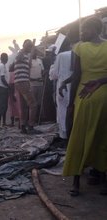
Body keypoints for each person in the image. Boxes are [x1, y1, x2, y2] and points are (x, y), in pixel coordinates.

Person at [60, 17, 107, 196]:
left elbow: (77, 74)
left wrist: (72, 103)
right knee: (102, 137)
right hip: (104, 95)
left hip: (84, 95)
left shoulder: (79, 47)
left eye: (84, 30)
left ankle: (76, 183)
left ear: (94, 29)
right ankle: (102, 181)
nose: (81, 34)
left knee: (78, 138)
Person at [14, 39, 41, 134]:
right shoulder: (20, 54)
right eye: (28, 45)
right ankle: (31, 126)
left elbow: (29, 64)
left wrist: (32, 50)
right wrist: (28, 46)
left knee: (24, 106)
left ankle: (23, 127)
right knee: (33, 104)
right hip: (22, 82)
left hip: (20, 82)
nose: (29, 47)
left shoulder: (25, 56)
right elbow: (19, 55)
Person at [49, 37, 73, 142]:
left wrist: (51, 68)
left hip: (63, 86)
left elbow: (54, 75)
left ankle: (64, 135)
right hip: (75, 84)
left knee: (62, 110)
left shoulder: (61, 56)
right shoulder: (76, 54)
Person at [29, 49, 44, 123]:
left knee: (39, 103)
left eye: (35, 51)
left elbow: (42, 71)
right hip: (32, 85)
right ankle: (32, 120)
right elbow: (27, 75)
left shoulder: (39, 61)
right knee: (32, 103)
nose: (35, 53)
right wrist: (35, 80)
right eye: (33, 51)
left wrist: (43, 76)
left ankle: (38, 119)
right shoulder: (29, 61)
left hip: (40, 84)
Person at [0, 53, 10, 126]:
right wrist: (8, 86)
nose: (7, 59)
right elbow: (2, 78)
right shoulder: (1, 66)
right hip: (2, 88)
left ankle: (3, 122)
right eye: (6, 58)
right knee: (2, 106)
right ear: (4, 58)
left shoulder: (4, 66)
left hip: (3, 88)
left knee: (5, 106)